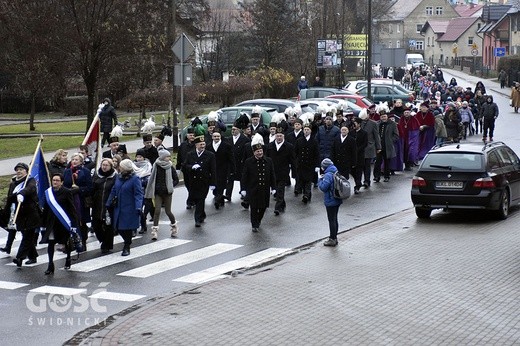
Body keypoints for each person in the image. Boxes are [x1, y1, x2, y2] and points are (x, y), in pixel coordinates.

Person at [40, 173, 79, 273]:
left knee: (66, 242)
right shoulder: (48, 193)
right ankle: (50, 264)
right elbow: (45, 209)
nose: (55, 182)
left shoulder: (66, 192)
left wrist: (74, 223)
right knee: (51, 243)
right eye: (54, 180)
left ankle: (68, 258)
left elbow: (71, 208)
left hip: (62, 222)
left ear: (61, 182)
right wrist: (43, 224)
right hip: (51, 223)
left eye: (57, 180)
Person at [106, 159, 143, 256]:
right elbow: (114, 189)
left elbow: (138, 194)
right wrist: (108, 202)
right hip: (118, 207)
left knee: (126, 228)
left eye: (121, 167)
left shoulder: (135, 179)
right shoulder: (118, 177)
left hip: (129, 208)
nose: (119, 168)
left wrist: (138, 206)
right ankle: (127, 241)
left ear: (125, 168)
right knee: (119, 228)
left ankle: (127, 245)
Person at [241, 136, 276, 232]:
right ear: (254, 152)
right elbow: (244, 176)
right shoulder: (249, 162)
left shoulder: (268, 161)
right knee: (253, 207)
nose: (260, 153)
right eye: (257, 151)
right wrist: (243, 189)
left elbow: (272, 175)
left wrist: (273, 187)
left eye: (261, 151)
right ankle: (254, 224)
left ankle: (258, 220)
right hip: (253, 188)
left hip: (264, 188)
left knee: (263, 207)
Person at [8, 162, 41, 267]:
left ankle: (19, 258)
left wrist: (22, 193)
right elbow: (10, 197)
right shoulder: (13, 184)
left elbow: (30, 189)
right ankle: (33, 256)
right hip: (20, 214)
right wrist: (15, 196)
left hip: (31, 214)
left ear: (26, 171)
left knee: (27, 236)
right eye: (17, 170)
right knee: (26, 235)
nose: (19, 171)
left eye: (21, 169)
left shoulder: (30, 180)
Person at [145, 149, 179, 239]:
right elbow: (152, 177)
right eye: (167, 156)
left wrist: (171, 186)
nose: (169, 158)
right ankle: (154, 230)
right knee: (157, 211)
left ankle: (174, 226)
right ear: (162, 157)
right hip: (158, 192)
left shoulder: (170, 167)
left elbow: (176, 179)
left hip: (167, 192)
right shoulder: (156, 166)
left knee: (168, 211)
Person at [183, 134, 217, 227]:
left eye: (203, 144)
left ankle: (197, 219)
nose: (202, 146)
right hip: (193, 182)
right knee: (195, 199)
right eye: (200, 144)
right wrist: (192, 167)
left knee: (201, 200)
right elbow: (185, 166)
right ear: (196, 145)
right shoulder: (190, 154)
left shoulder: (210, 155)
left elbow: (213, 170)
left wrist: (213, 183)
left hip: (204, 181)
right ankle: (202, 214)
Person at [63, 153, 93, 251]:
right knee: (70, 222)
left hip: (81, 201)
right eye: (73, 159)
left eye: (76, 159)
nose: (74, 161)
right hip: (70, 201)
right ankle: (70, 243)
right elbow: (64, 185)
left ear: (81, 161)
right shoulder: (67, 172)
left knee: (81, 222)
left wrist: (79, 189)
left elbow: (90, 187)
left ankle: (83, 241)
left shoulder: (85, 171)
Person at [266, 127, 296, 215]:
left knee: (280, 190)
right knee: (274, 189)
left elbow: (293, 161)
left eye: (281, 136)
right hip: (272, 172)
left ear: (283, 136)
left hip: (283, 172)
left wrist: (294, 172)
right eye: (277, 136)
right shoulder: (270, 146)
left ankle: (277, 207)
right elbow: (266, 159)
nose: (279, 138)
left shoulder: (289, 146)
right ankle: (282, 203)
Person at [91, 158, 117, 254]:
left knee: (108, 226)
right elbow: (92, 188)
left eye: (106, 165)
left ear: (110, 166)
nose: (104, 167)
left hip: (109, 204)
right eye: (103, 165)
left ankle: (107, 245)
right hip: (97, 204)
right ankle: (102, 239)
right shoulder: (97, 176)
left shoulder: (115, 177)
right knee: (96, 224)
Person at [206, 128, 234, 209]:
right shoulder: (209, 146)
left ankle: (217, 201)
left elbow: (231, 159)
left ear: (220, 137)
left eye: (218, 136)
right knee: (215, 186)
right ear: (212, 137)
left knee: (221, 186)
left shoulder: (226, 146)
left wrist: (232, 170)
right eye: (215, 136)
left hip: (223, 169)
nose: (216, 138)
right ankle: (220, 199)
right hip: (213, 170)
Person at [225, 116, 251, 201]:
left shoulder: (245, 139)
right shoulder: (228, 140)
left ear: (239, 130)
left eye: (235, 129)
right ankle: (228, 195)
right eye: (232, 129)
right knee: (230, 179)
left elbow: (247, 152)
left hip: (241, 162)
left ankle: (243, 193)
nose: (233, 131)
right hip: (231, 163)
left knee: (242, 179)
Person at [318, 158, 342, 247]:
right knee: (335, 219)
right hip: (337, 198)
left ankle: (332, 239)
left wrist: (320, 179)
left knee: (331, 220)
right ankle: (335, 237)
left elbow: (323, 187)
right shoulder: (335, 171)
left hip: (330, 200)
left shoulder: (328, 175)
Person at [295, 123, 320, 203]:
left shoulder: (314, 141)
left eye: (308, 130)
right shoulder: (299, 140)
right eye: (305, 129)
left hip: (310, 164)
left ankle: (306, 194)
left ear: (310, 131)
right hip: (301, 164)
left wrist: (317, 165)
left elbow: (317, 154)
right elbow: (295, 153)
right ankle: (307, 195)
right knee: (302, 180)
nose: (306, 131)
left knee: (308, 180)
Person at [373, 112, 399, 183]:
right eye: (382, 117)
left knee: (387, 162)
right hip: (379, 146)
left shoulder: (392, 124)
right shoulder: (377, 124)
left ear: (387, 117)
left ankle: (387, 176)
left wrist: (390, 141)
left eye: (384, 116)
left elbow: (396, 135)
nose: (383, 118)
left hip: (387, 146)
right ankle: (376, 176)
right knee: (377, 162)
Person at [359, 109, 381, 188]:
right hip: (359, 147)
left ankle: (367, 181)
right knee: (360, 165)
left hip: (369, 147)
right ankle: (359, 181)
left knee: (367, 165)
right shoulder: (359, 122)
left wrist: (378, 147)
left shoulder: (373, 123)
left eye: (367, 114)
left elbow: (376, 136)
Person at [133, 149, 153, 234]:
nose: (138, 159)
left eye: (140, 157)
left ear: (144, 157)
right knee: (138, 210)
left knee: (144, 212)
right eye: (137, 157)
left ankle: (143, 226)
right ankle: (137, 227)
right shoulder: (133, 166)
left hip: (146, 193)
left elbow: (149, 179)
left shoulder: (148, 166)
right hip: (137, 193)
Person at [176, 127, 196, 209]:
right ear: (187, 136)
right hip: (185, 168)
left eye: (193, 135)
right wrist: (178, 167)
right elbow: (179, 156)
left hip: (194, 169)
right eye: (190, 135)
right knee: (188, 185)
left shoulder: (196, 144)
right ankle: (193, 199)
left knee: (193, 185)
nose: (192, 137)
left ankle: (190, 201)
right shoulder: (183, 145)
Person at [397, 107, 420, 171]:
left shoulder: (413, 119)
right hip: (403, 138)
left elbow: (416, 128)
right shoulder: (402, 119)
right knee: (404, 151)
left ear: (410, 113)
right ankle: (405, 165)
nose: (406, 114)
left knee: (411, 151)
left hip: (411, 138)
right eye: (405, 113)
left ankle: (409, 164)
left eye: (408, 112)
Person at [351, 117, 368, 194]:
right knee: (353, 171)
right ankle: (358, 182)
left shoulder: (364, 133)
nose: (354, 125)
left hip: (360, 155)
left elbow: (365, 144)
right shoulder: (351, 132)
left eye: (355, 124)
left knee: (359, 171)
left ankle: (357, 186)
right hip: (352, 156)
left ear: (359, 124)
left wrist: (357, 149)